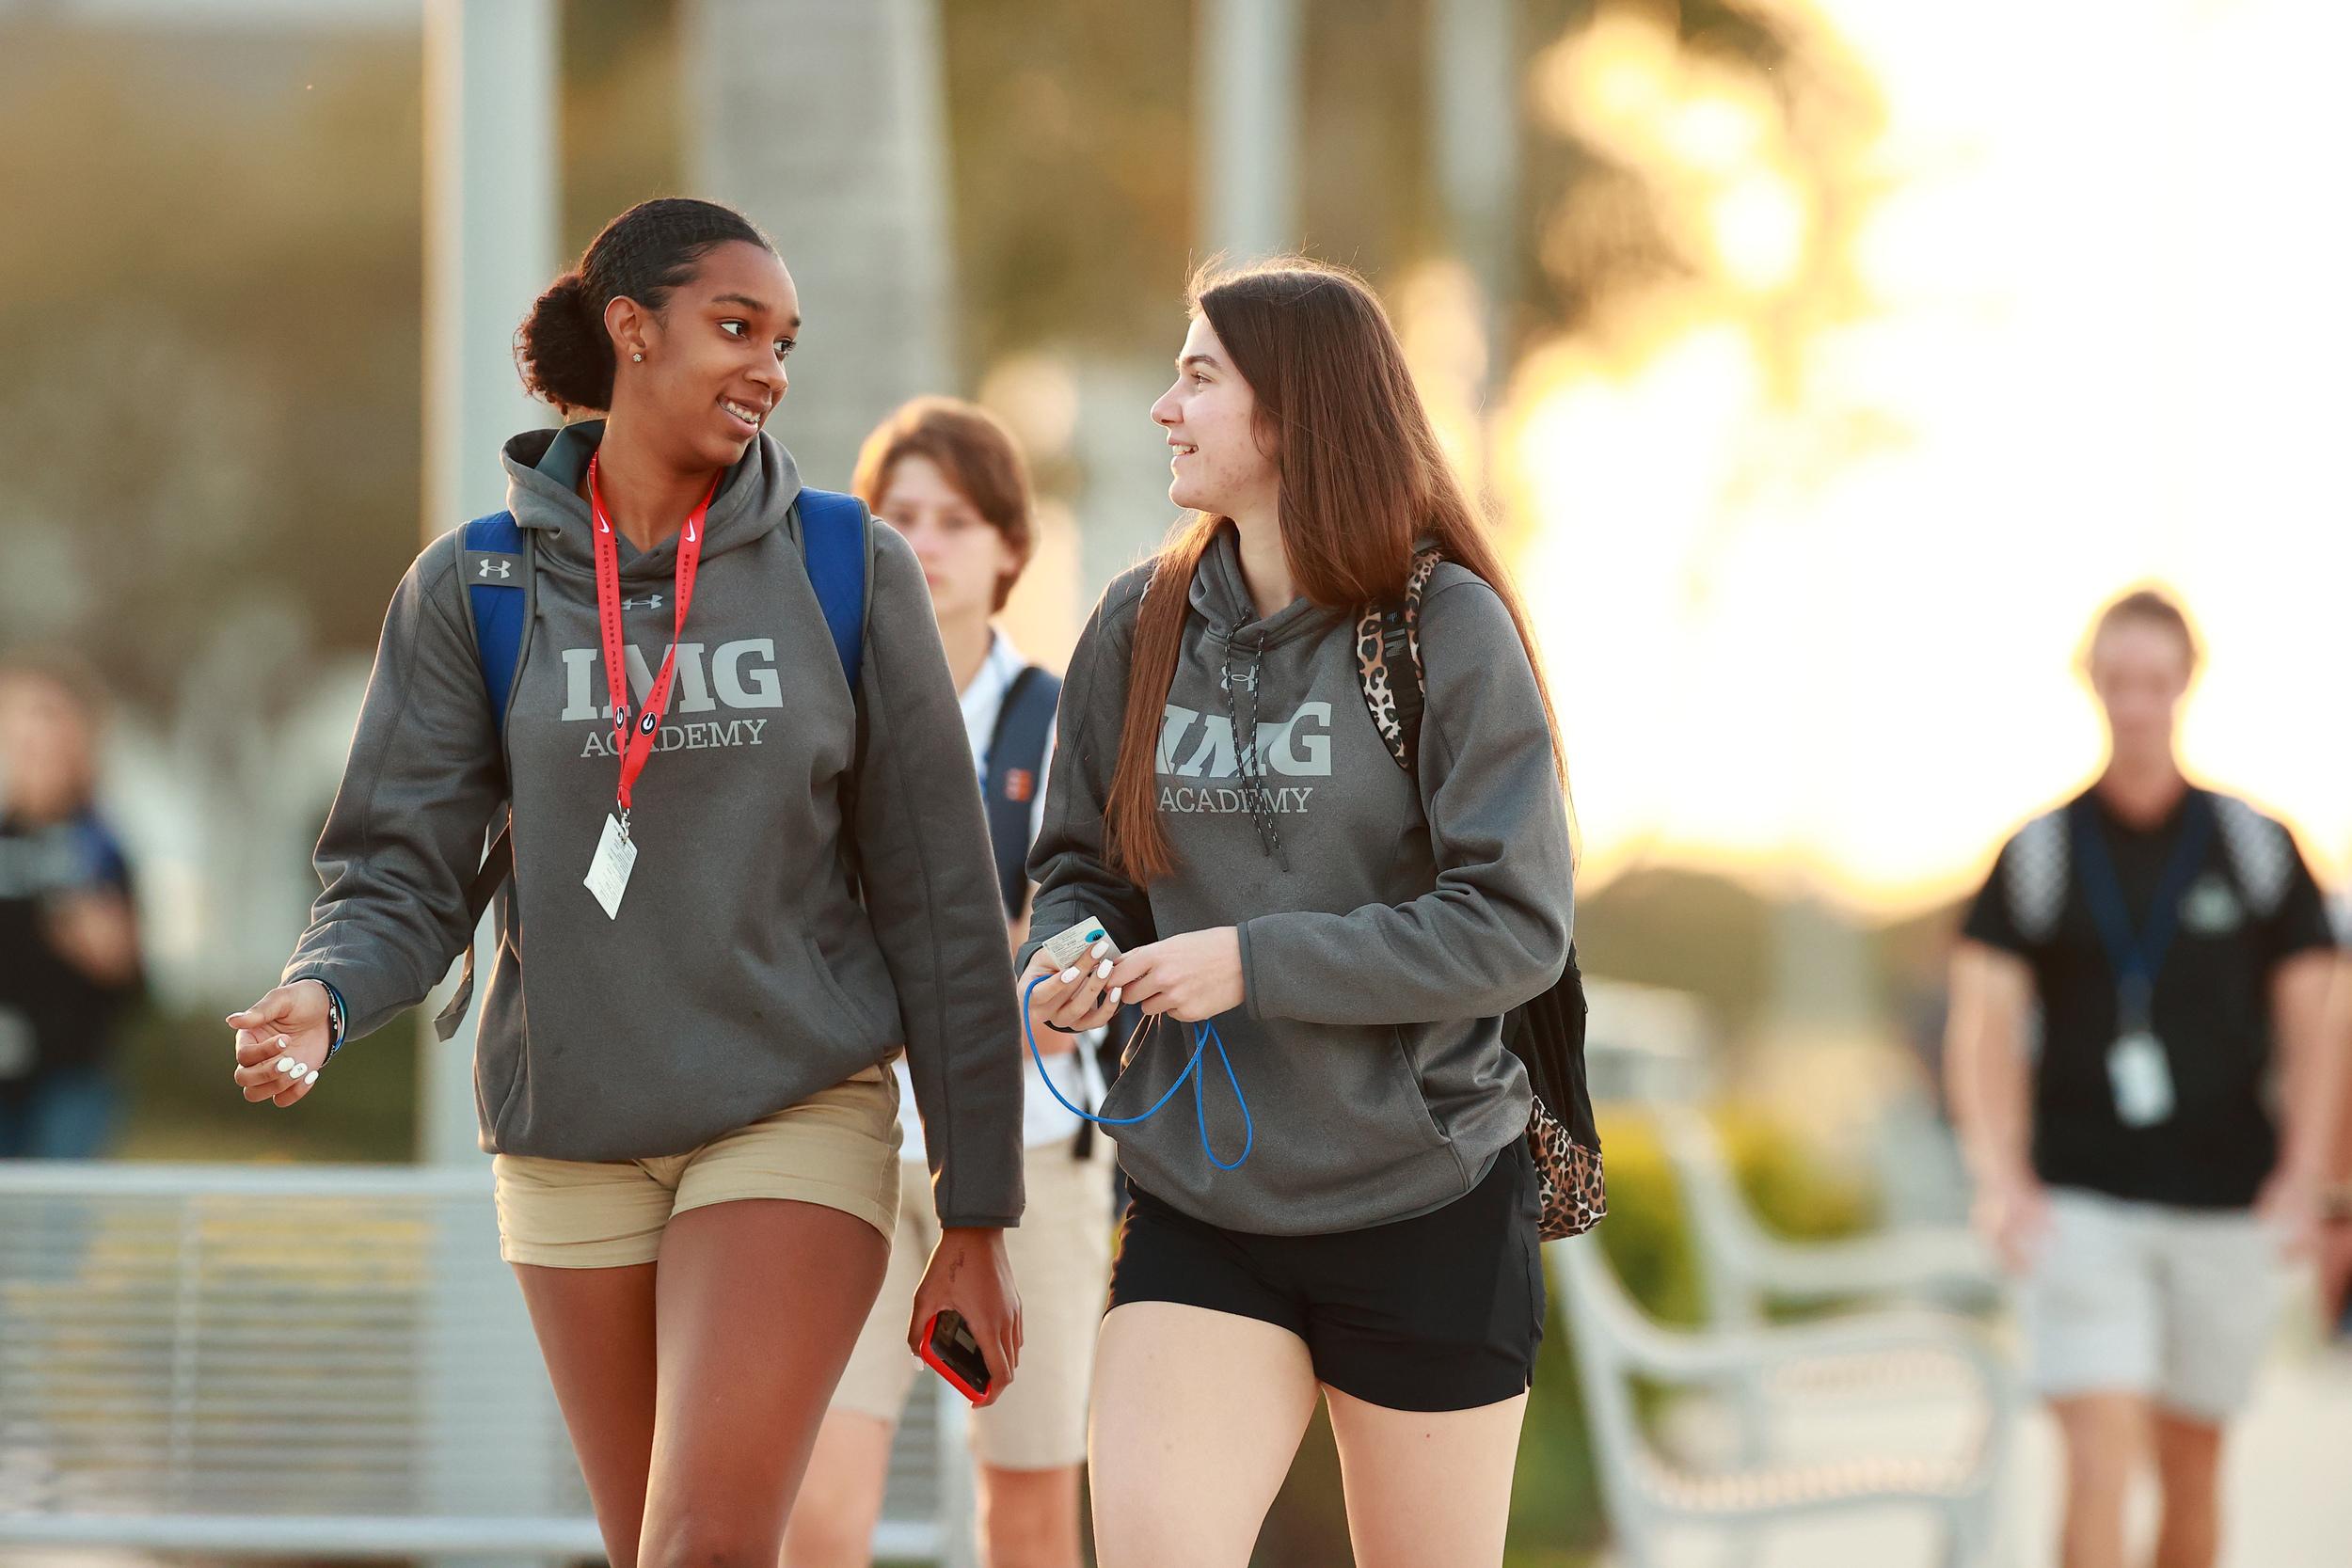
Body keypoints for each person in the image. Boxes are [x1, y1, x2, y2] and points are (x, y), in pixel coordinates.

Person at [222, 198, 1025, 1568]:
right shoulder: (473, 582)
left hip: (791, 1106)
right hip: (570, 1136)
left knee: (702, 1543)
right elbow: (398, 870)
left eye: (783, 341)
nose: (768, 367)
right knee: (655, 1542)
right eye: (734, 326)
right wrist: (324, 989)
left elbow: (942, 898)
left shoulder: (845, 566)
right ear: (630, 329)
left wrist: (979, 1205)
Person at [1017, 260, 1575, 1568]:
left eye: (1199, 375)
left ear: (1294, 415)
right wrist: (1072, 950)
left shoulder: (1445, 627)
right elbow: (1080, 864)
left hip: (1424, 1198)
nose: (1166, 406)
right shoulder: (1138, 622)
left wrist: (1252, 963)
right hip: (1206, 1204)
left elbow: (1512, 924)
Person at [1946, 587, 2344, 1568]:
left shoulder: (2257, 848)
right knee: (2098, 1452)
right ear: (2092, 682)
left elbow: (2318, 1025)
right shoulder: (2037, 853)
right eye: (2116, 680)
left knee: (2192, 1468)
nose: (2134, 702)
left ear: (2184, 684)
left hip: (2225, 1205)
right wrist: (2000, 1176)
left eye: (2153, 681)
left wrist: (2304, 1177)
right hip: (2082, 1202)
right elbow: (1980, 1029)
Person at [787, 398, 1111, 1568]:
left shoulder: (1063, 714)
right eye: (898, 515)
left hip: (1031, 1156)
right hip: (851, 1146)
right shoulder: (818, 706)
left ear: (1011, 546)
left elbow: (1096, 921)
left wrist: (1039, 963)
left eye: (955, 518)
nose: (923, 541)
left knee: (1026, 1515)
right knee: (819, 1512)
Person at [0, 654, 142, 1158]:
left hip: (70, 1079)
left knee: (54, 1229)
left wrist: (101, 945)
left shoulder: (98, 843)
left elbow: (133, 977)